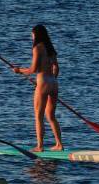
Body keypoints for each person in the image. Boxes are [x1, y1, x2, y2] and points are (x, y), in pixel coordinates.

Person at [10, 24, 63, 152]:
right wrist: (52, 79)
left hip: (43, 84)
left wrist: (19, 70)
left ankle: (39, 146)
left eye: (32, 34)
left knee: (38, 116)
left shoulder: (37, 48)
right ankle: (59, 145)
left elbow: (33, 69)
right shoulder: (51, 48)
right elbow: (56, 67)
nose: (31, 36)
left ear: (36, 35)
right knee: (51, 116)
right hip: (53, 83)